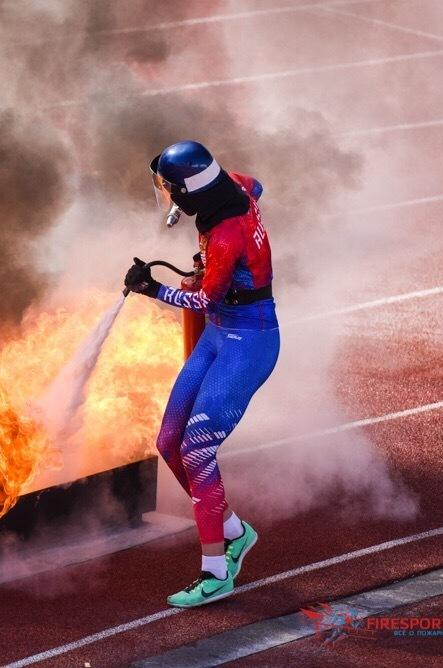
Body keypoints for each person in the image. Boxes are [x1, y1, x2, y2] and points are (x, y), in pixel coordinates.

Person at [124, 140, 279, 608]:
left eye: (173, 191)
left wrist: (152, 288)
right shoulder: (231, 185)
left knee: (197, 450)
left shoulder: (228, 234)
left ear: (194, 192)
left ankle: (216, 570)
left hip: (247, 342)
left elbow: (203, 300)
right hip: (218, 336)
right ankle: (234, 531)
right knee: (169, 442)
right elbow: (258, 185)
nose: (169, 198)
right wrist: (211, 265)